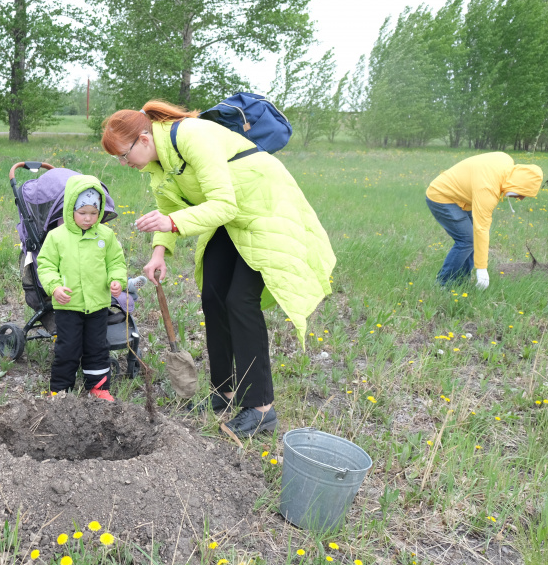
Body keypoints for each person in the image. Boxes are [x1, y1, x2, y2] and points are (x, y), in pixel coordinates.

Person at [102, 102, 335, 438]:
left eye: (124, 155)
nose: (124, 164)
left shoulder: (193, 136)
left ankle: (260, 409)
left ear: (143, 138)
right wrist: (159, 253)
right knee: (213, 295)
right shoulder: (157, 163)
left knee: (240, 299)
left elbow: (223, 203)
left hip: (264, 208)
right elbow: (167, 208)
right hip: (229, 216)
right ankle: (223, 394)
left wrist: (173, 222)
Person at [36, 175, 127, 401]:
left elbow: (115, 262)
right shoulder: (57, 237)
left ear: (100, 212)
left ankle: (98, 387)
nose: (88, 218)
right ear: (70, 210)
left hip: (97, 304)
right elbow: (46, 265)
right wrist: (55, 287)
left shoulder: (105, 236)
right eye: (82, 213)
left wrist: (116, 280)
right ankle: (60, 389)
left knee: (97, 347)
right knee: (67, 349)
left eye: (93, 213)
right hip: (68, 306)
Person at [425, 152, 543, 289]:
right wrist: (482, 269)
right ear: (518, 184)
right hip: (442, 196)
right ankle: (443, 284)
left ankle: (461, 282)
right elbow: (481, 229)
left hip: (463, 196)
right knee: (467, 240)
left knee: (472, 240)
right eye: (523, 193)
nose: (521, 198)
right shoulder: (487, 190)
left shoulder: (505, 159)